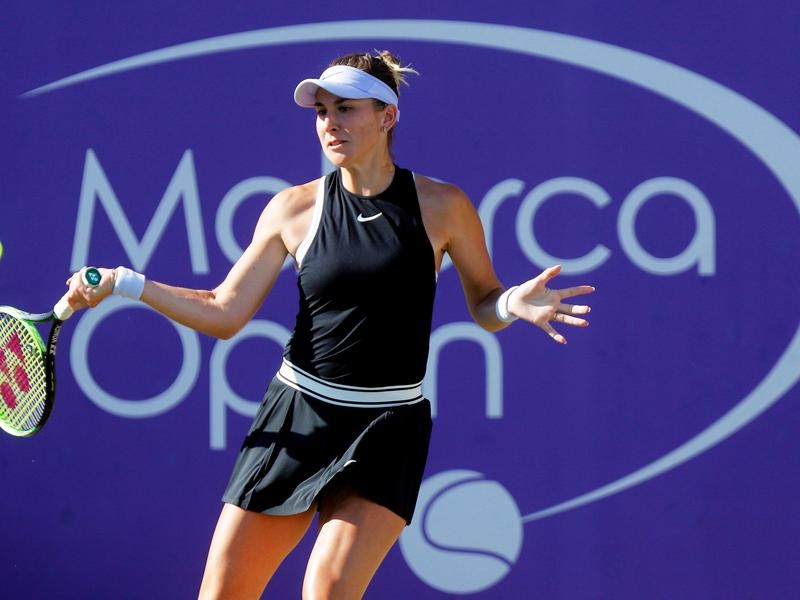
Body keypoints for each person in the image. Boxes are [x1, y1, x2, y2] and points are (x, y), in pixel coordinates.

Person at [64, 51, 595, 600]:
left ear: (387, 116)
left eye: (345, 108)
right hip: (298, 416)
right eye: (321, 111)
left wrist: (510, 304)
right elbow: (224, 311)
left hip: (388, 428)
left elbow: (484, 302)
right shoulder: (293, 209)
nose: (329, 123)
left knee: (328, 590)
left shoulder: (443, 206)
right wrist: (126, 283)